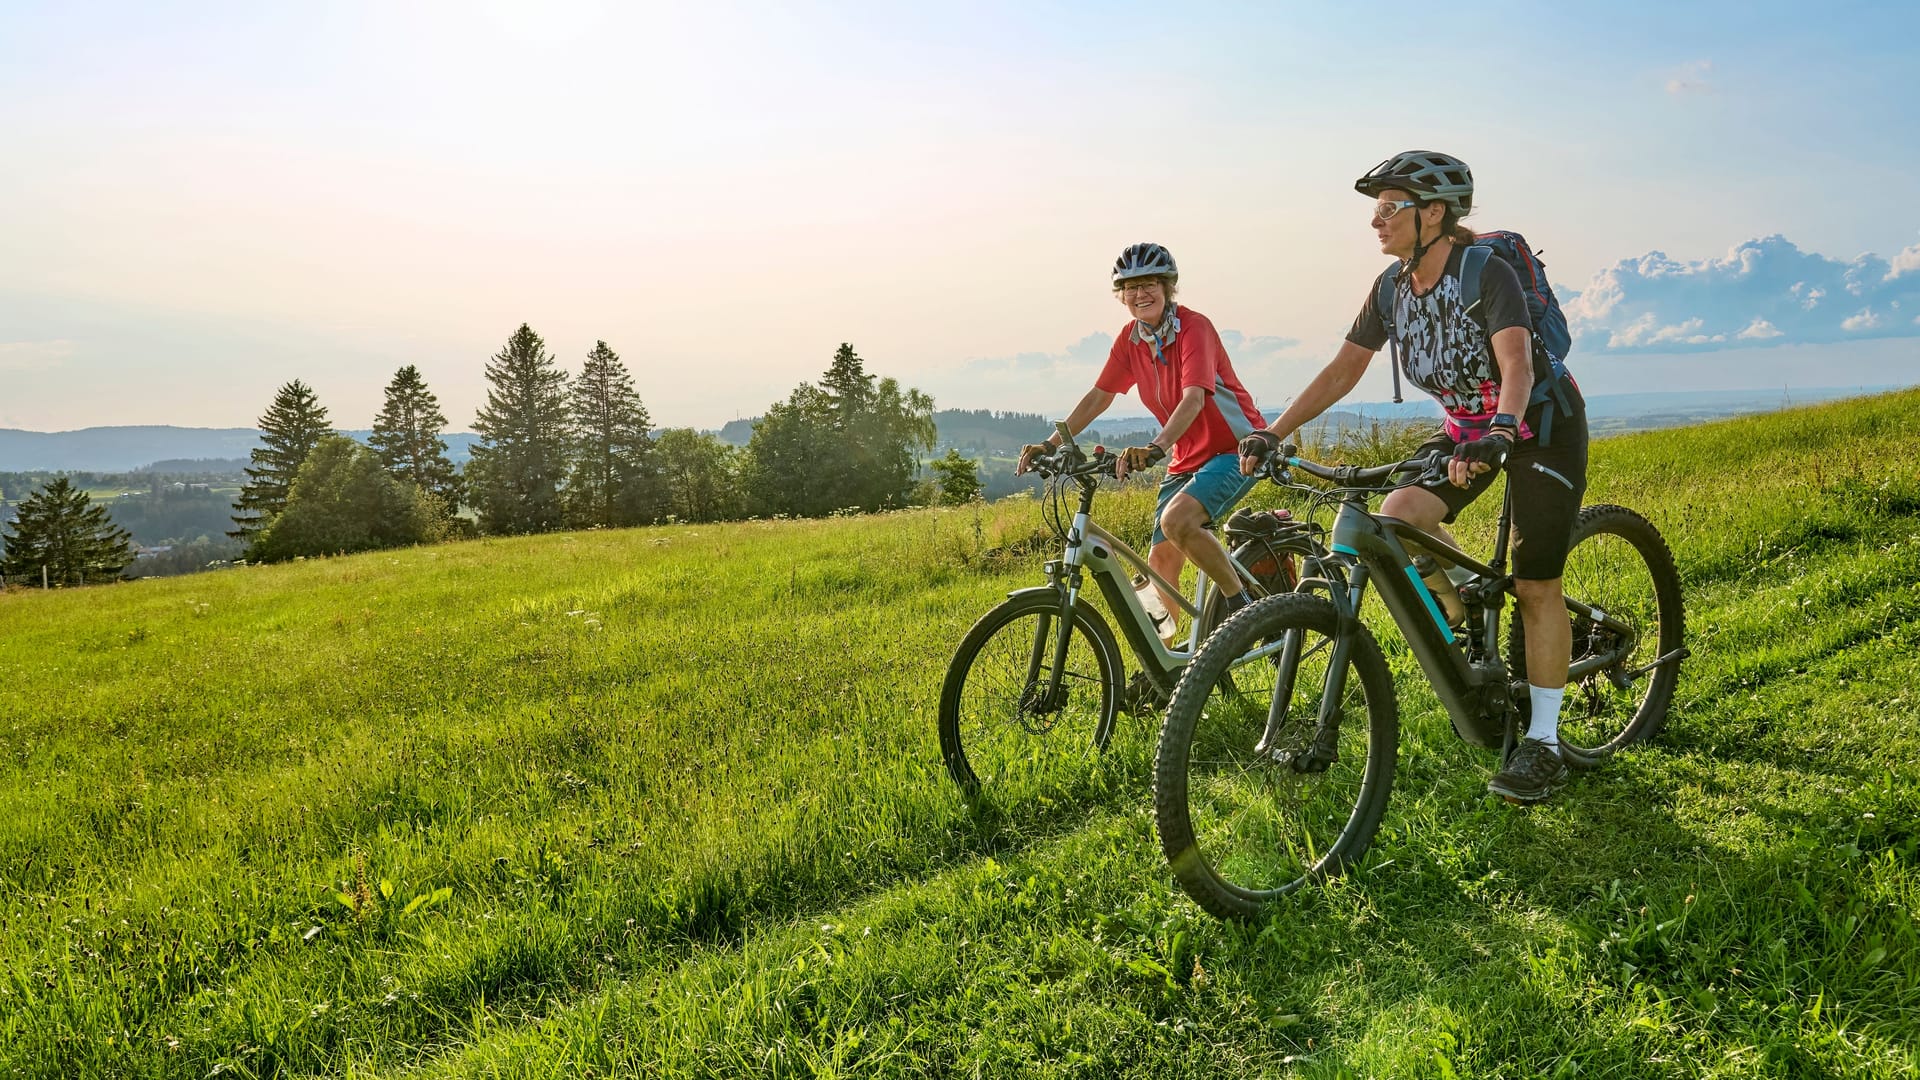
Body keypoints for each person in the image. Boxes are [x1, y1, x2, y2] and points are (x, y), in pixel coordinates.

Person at [1238, 151, 1589, 803]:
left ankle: (1542, 746)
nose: (1376, 221)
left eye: (1388, 208)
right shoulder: (1391, 289)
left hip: (1538, 422)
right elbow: (1343, 371)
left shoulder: (1487, 271)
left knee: (1537, 581)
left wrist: (1503, 432)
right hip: (1464, 428)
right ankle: (1465, 615)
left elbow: (1516, 365)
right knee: (1397, 519)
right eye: (1375, 208)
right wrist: (1272, 432)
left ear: (1434, 214)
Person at [1018, 242, 1269, 640]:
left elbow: (1194, 397)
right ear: (1122, 296)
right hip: (1186, 455)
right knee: (1159, 566)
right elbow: (1100, 395)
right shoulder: (1130, 340)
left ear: (1168, 287)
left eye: (1150, 283)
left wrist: (1156, 446)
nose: (1141, 294)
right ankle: (1164, 669)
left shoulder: (1194, 328)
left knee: (1177, 521)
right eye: (1131, 287)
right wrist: (1050, 443)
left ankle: (1245, 611)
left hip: (1236, 448)